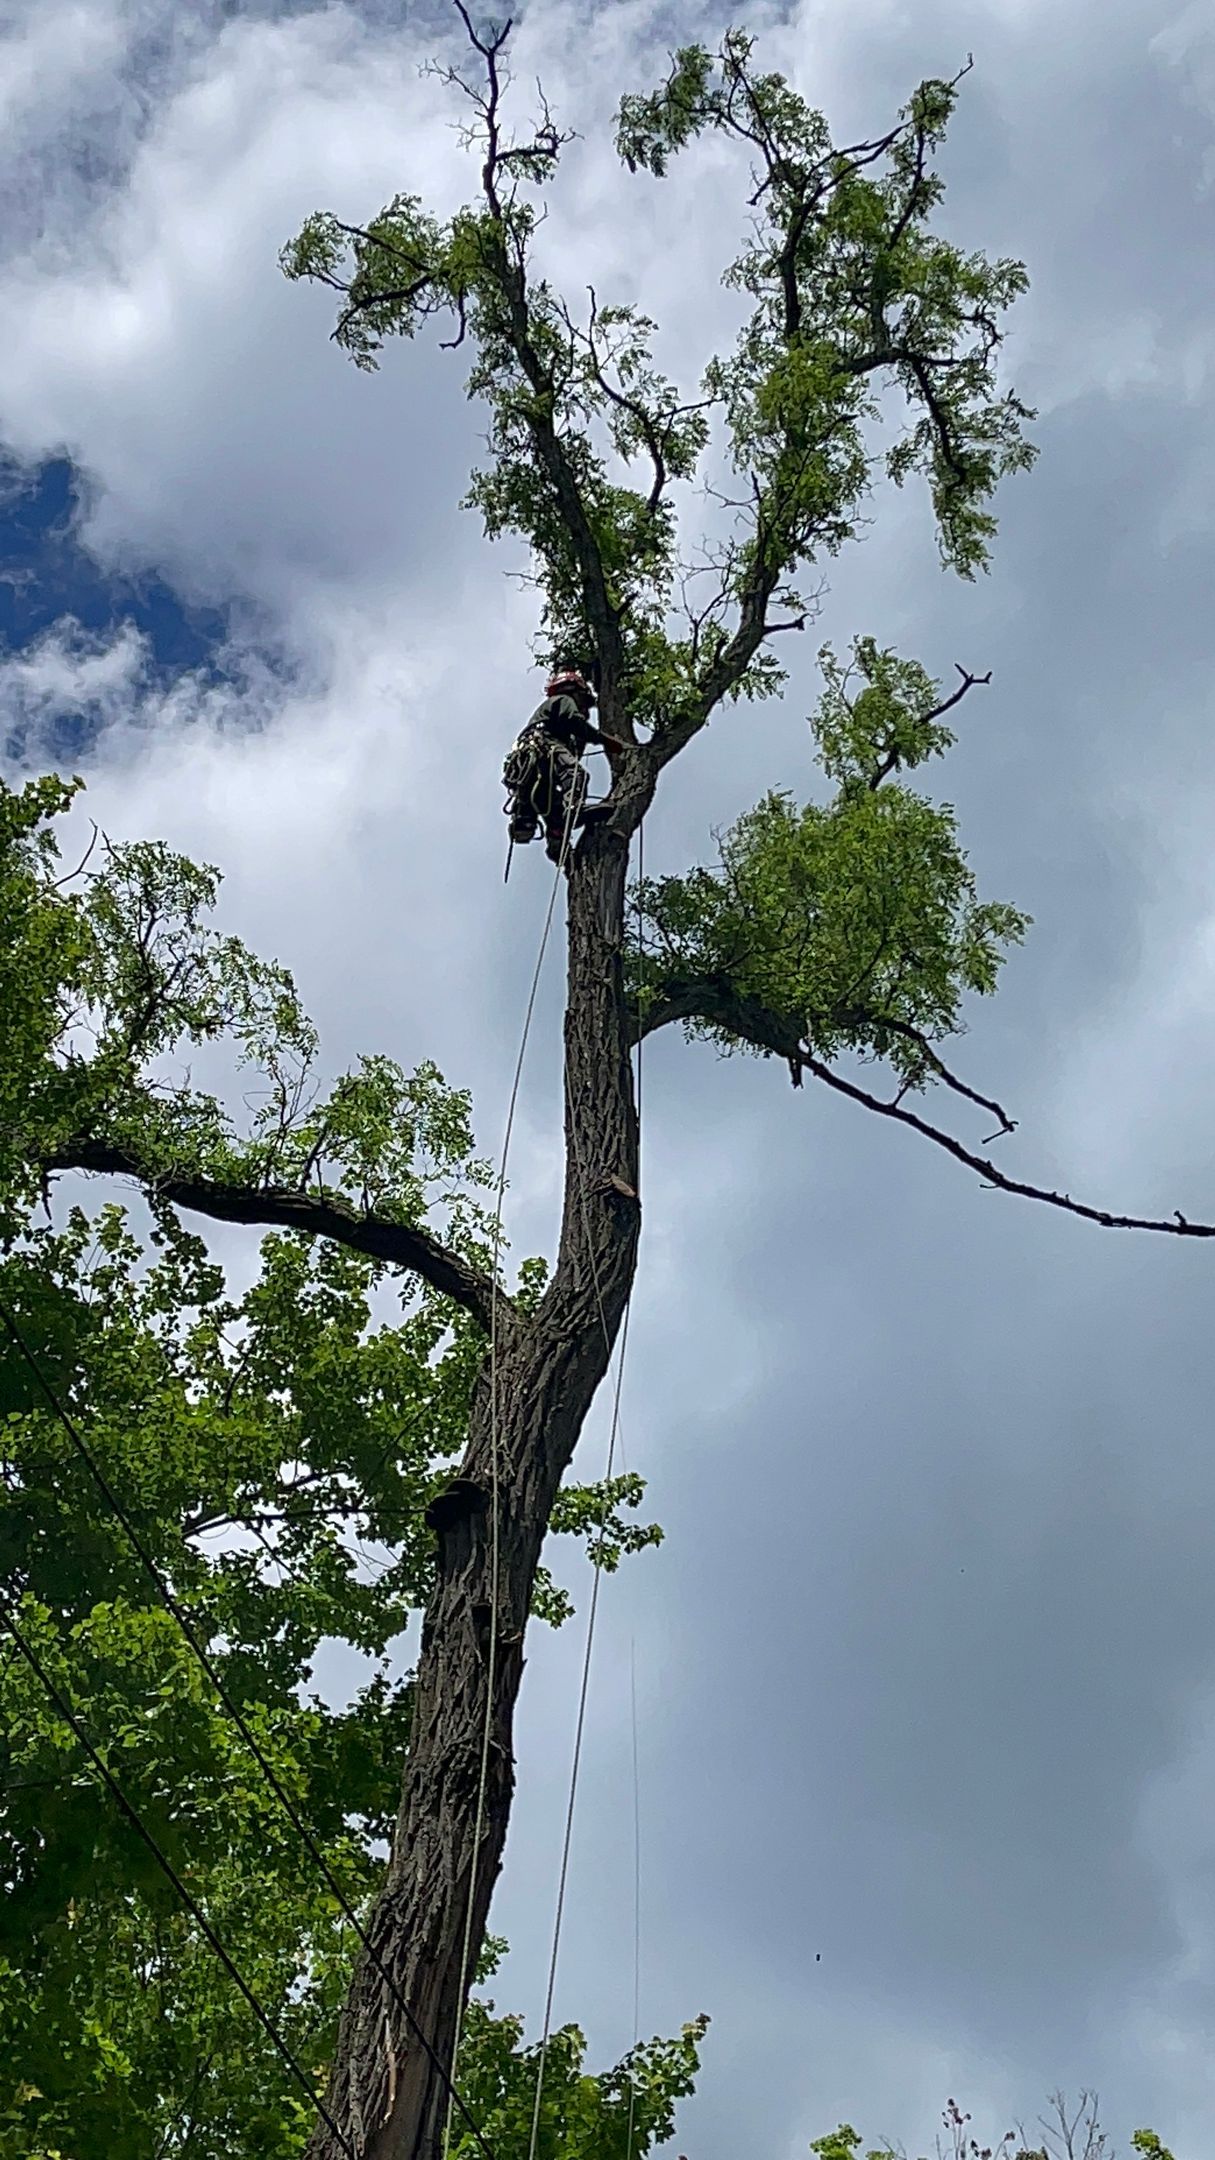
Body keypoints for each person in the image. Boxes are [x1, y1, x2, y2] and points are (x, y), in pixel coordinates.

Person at [503, 671, 625, 865]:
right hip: (544, 746)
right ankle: (573, 808)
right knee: (576, 774)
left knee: (548, 802)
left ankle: (556, 839)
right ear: (574, 691)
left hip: (531, 768)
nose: (583, 709)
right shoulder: (563, 700)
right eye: (583, 702)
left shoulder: (553, 720)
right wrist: (605, 740)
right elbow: (575, 723)